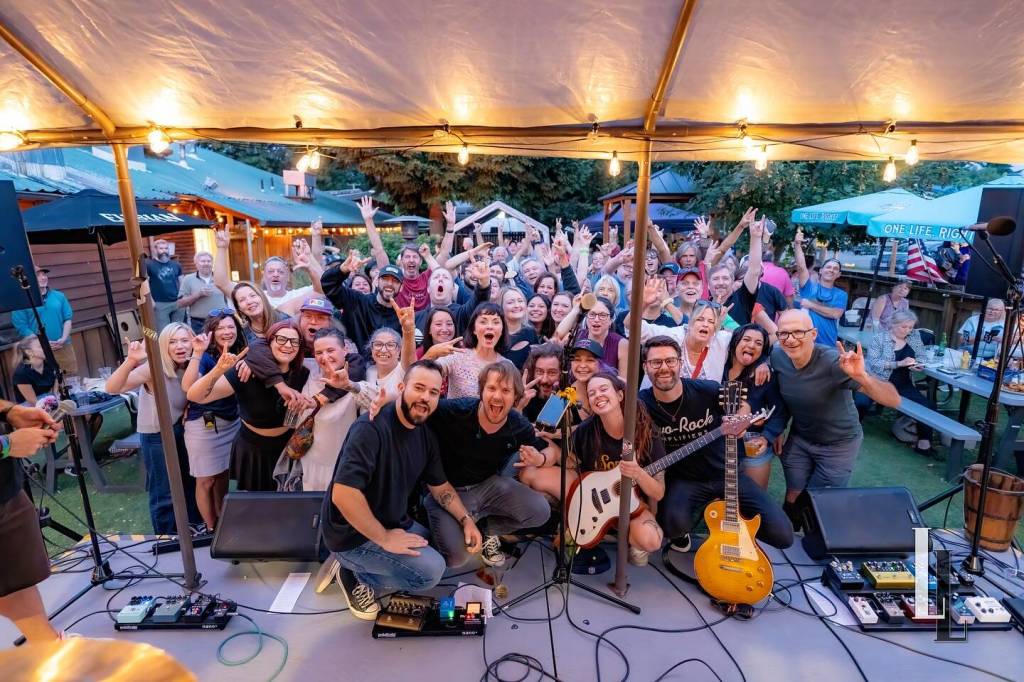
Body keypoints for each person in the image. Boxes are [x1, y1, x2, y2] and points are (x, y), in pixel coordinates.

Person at [319, 360, 483, 619]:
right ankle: (354, 574)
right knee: (429, 573)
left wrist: (466, 520)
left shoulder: (424, 435)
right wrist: (385, 538)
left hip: (393, 521)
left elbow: (441, 488)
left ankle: (365, 563)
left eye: (433, 392)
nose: (425, 398)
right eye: (419, 388)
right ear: (401, 387)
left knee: (447, 550)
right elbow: (344, 494)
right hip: (352, 535)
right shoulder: (370, 428)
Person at [638, 336, 794, 553]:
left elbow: (740, 408)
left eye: (670, 361)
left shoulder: (708, 390)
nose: (664, 368)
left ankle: (737, 534)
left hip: (727, 473)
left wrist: (743, 419)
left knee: (783, 535)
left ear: (680, 363)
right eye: (656, 362)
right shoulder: (641, 405)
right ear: (646, 367)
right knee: (672, 526)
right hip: (684, 479)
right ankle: (684, 534)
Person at [772, 310, 900, 528]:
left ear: (813, 334)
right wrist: (762, 368)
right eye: (784, 333)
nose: (790, 339)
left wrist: (863, 378)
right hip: (801, 437)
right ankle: (786, 542)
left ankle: (817, 547)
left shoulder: (833, 363)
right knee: (794, 492)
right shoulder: (777, 356)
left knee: (818, 500)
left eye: (797, 332)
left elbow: (893, 400)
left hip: (838, 443)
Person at [425, 362, 554, 568]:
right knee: (457, 558)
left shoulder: (518, 425)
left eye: (506, 390)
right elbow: (418, 405)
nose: (497, 396)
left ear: (515, 398)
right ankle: (442, 522)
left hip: (488, 485)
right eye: (491, 388)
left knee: (540, 511)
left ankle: (484, 529)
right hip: (448, 490)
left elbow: (549, 449)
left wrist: (540, 459)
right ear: (481, 390)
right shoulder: (455, 411)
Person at [186, 321, 309, 492]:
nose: (288, 345)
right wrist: (218, 370)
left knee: (288, 503)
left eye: (294, 341)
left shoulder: (304, 373)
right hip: (253, 449)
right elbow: (195, 396)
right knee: (256, 507)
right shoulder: (245, 372)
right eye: (281, 339)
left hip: (288, 447)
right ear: (269, 343)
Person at [105, 325, 201, 533]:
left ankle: (193, 530)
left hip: (179, 430)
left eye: (184, 340)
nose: (179, 346)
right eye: (172, 342)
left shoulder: (190, 367)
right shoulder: (154, 368)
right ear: (164, 346)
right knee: (164, 492)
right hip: (156, 437)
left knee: (188, 484)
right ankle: (165, 538)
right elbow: (112, 388)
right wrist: (131, 361)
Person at [568, 372, 666, 566]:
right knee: (538, 476)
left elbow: (658, 492)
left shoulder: (645, 431)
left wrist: (638, 472)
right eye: (592, 393)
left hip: (633, 506)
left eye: (604, 389)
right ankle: (581, 525)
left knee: (651, 540)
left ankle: (629, 535)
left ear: (620, 395)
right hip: (596, 503)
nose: (598, 396)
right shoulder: (586, 430)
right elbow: (570, 464)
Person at [0, 401, 62, 643]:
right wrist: (8, 445)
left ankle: (49, 649)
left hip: (6, 491)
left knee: (17, 582)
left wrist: (10, 411)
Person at [274, 328, 361, 492]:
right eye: (319, 352)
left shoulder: (356, 381)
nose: (324, 357)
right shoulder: (310, 370)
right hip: (308, 463)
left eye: (330, 350)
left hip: (341, 465)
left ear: (345, 350)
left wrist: (348, 385)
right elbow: (270, 354)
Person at [180, 311, 245, 529]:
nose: (227, 332)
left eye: (231, 327)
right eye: (220, 328)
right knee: (205, 479)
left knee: (223, 475)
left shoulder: (240, 352)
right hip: (205, 424)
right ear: (211, 332)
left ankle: (222, 520)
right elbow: (188, 386)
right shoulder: (205, 357)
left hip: (231, 422)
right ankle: (210, 527)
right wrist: (202, 356)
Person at [722, 325, 788, 489]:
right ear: (735, 342)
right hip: (719, 447)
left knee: (755, 500)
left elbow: (779, 412)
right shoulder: (718, 367)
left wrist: (767, 437)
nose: (751, 345)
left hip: (751, 447)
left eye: (758, 343)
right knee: (719, 500)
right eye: (746, 339)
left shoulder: (764, 375)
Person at [864, 310, 935, 456]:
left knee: (927, 406)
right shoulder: (880, 338)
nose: (908, 330)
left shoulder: (914, 337)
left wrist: (919, 365)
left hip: (902, 382)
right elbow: (875, 363)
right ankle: (851, 431)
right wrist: (899, 363)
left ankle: (924, 443)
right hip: (877, 380)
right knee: (861, 403)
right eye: (904, 327)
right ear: (893, 324)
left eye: (910, 327)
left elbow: (922, 356)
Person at [322, 248, 404, 354]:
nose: (389, 283)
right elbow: (329, 285)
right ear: (377, 281)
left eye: (395, 281)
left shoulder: (402, 317)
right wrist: (342, 270)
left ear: (401, 287)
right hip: (355, 367)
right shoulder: (357, 301)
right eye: (385, 279)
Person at [640, 300, 732, 381]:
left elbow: (743, 337)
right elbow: (635, 329)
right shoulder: (672, 336)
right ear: (690, 322)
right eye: (700, 319)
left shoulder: (721, 341)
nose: (705, 324)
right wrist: (643, 302)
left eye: (711, 322)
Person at [12, 267, 76, 375]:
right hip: (39, 351)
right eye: (38, 275)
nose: (43, 278)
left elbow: (67, 318)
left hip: (63, 346)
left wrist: (63, 339)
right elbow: (21, 326)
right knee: (48, 384)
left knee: (70, 380)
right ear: (29, 279)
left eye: (44, 275)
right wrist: (42, 342)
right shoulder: (21, 300)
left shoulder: (59, 296)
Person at [436, 302, 508, 398]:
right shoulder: (457, 357)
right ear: (474, 329)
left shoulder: (507, 366)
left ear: (502, 330)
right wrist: (431, 354)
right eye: (483, 322)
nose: (490, 326)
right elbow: (429, 372)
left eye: (496, 322)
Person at [793, 229, 847, 347]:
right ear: (821, 271)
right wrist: (797, 245)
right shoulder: (809, 288)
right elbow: (802, 267)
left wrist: (811, 305)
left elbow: (835, 314)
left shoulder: (841, 294)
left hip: (828, 343)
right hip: (805, 343)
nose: (831, 270)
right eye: (828, 267)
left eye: (835, 269)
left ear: (838, 275)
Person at [555, 296, 627, 373]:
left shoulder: (621, 344)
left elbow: (624, 381)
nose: (596, 319)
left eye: (602, 315)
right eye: (592, 314)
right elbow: (559, 334)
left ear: (611, 320)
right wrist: (576, 309)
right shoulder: (577, 335)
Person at [177, 251, 230, 333]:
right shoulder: (188, 279)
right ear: (196, 263)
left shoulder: (220, 277)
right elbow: (180, 303)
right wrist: (198, 294)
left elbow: (230, 296)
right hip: (199, 323)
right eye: (202, 261)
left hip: (221, 320)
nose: (206, 263)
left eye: (209, 261)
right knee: (202, 346)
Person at [146, 239, 185, 329]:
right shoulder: (149, 265)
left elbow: (182, 282)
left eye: (166, 248)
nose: (164, 251)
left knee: (177, 329)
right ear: (155, 250)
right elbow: (145, 284)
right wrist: (150, 300)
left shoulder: (176, 264)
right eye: (161, 248)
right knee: (164, 331)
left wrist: (184, 297)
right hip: (160, 303)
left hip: (177, 302)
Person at [519, 343, 562, 421]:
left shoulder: (571, 395)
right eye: (540, 372)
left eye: (552, 372)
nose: (544, 380)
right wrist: (519, 405)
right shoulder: (524, 394)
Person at [500, 287, 540, 366]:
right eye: (510, 302)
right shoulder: (496, 334)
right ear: (501, 306)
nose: (517, 305)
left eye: (520, 301)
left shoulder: (530, 332)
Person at [11, 336, 56, 404]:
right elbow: (33, 402)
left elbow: (55, 393)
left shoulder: (50, 364)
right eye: (41, 346)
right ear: (29, 352)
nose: (46, 348)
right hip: (29, 409)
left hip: (49, 401)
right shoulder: (21, 373)